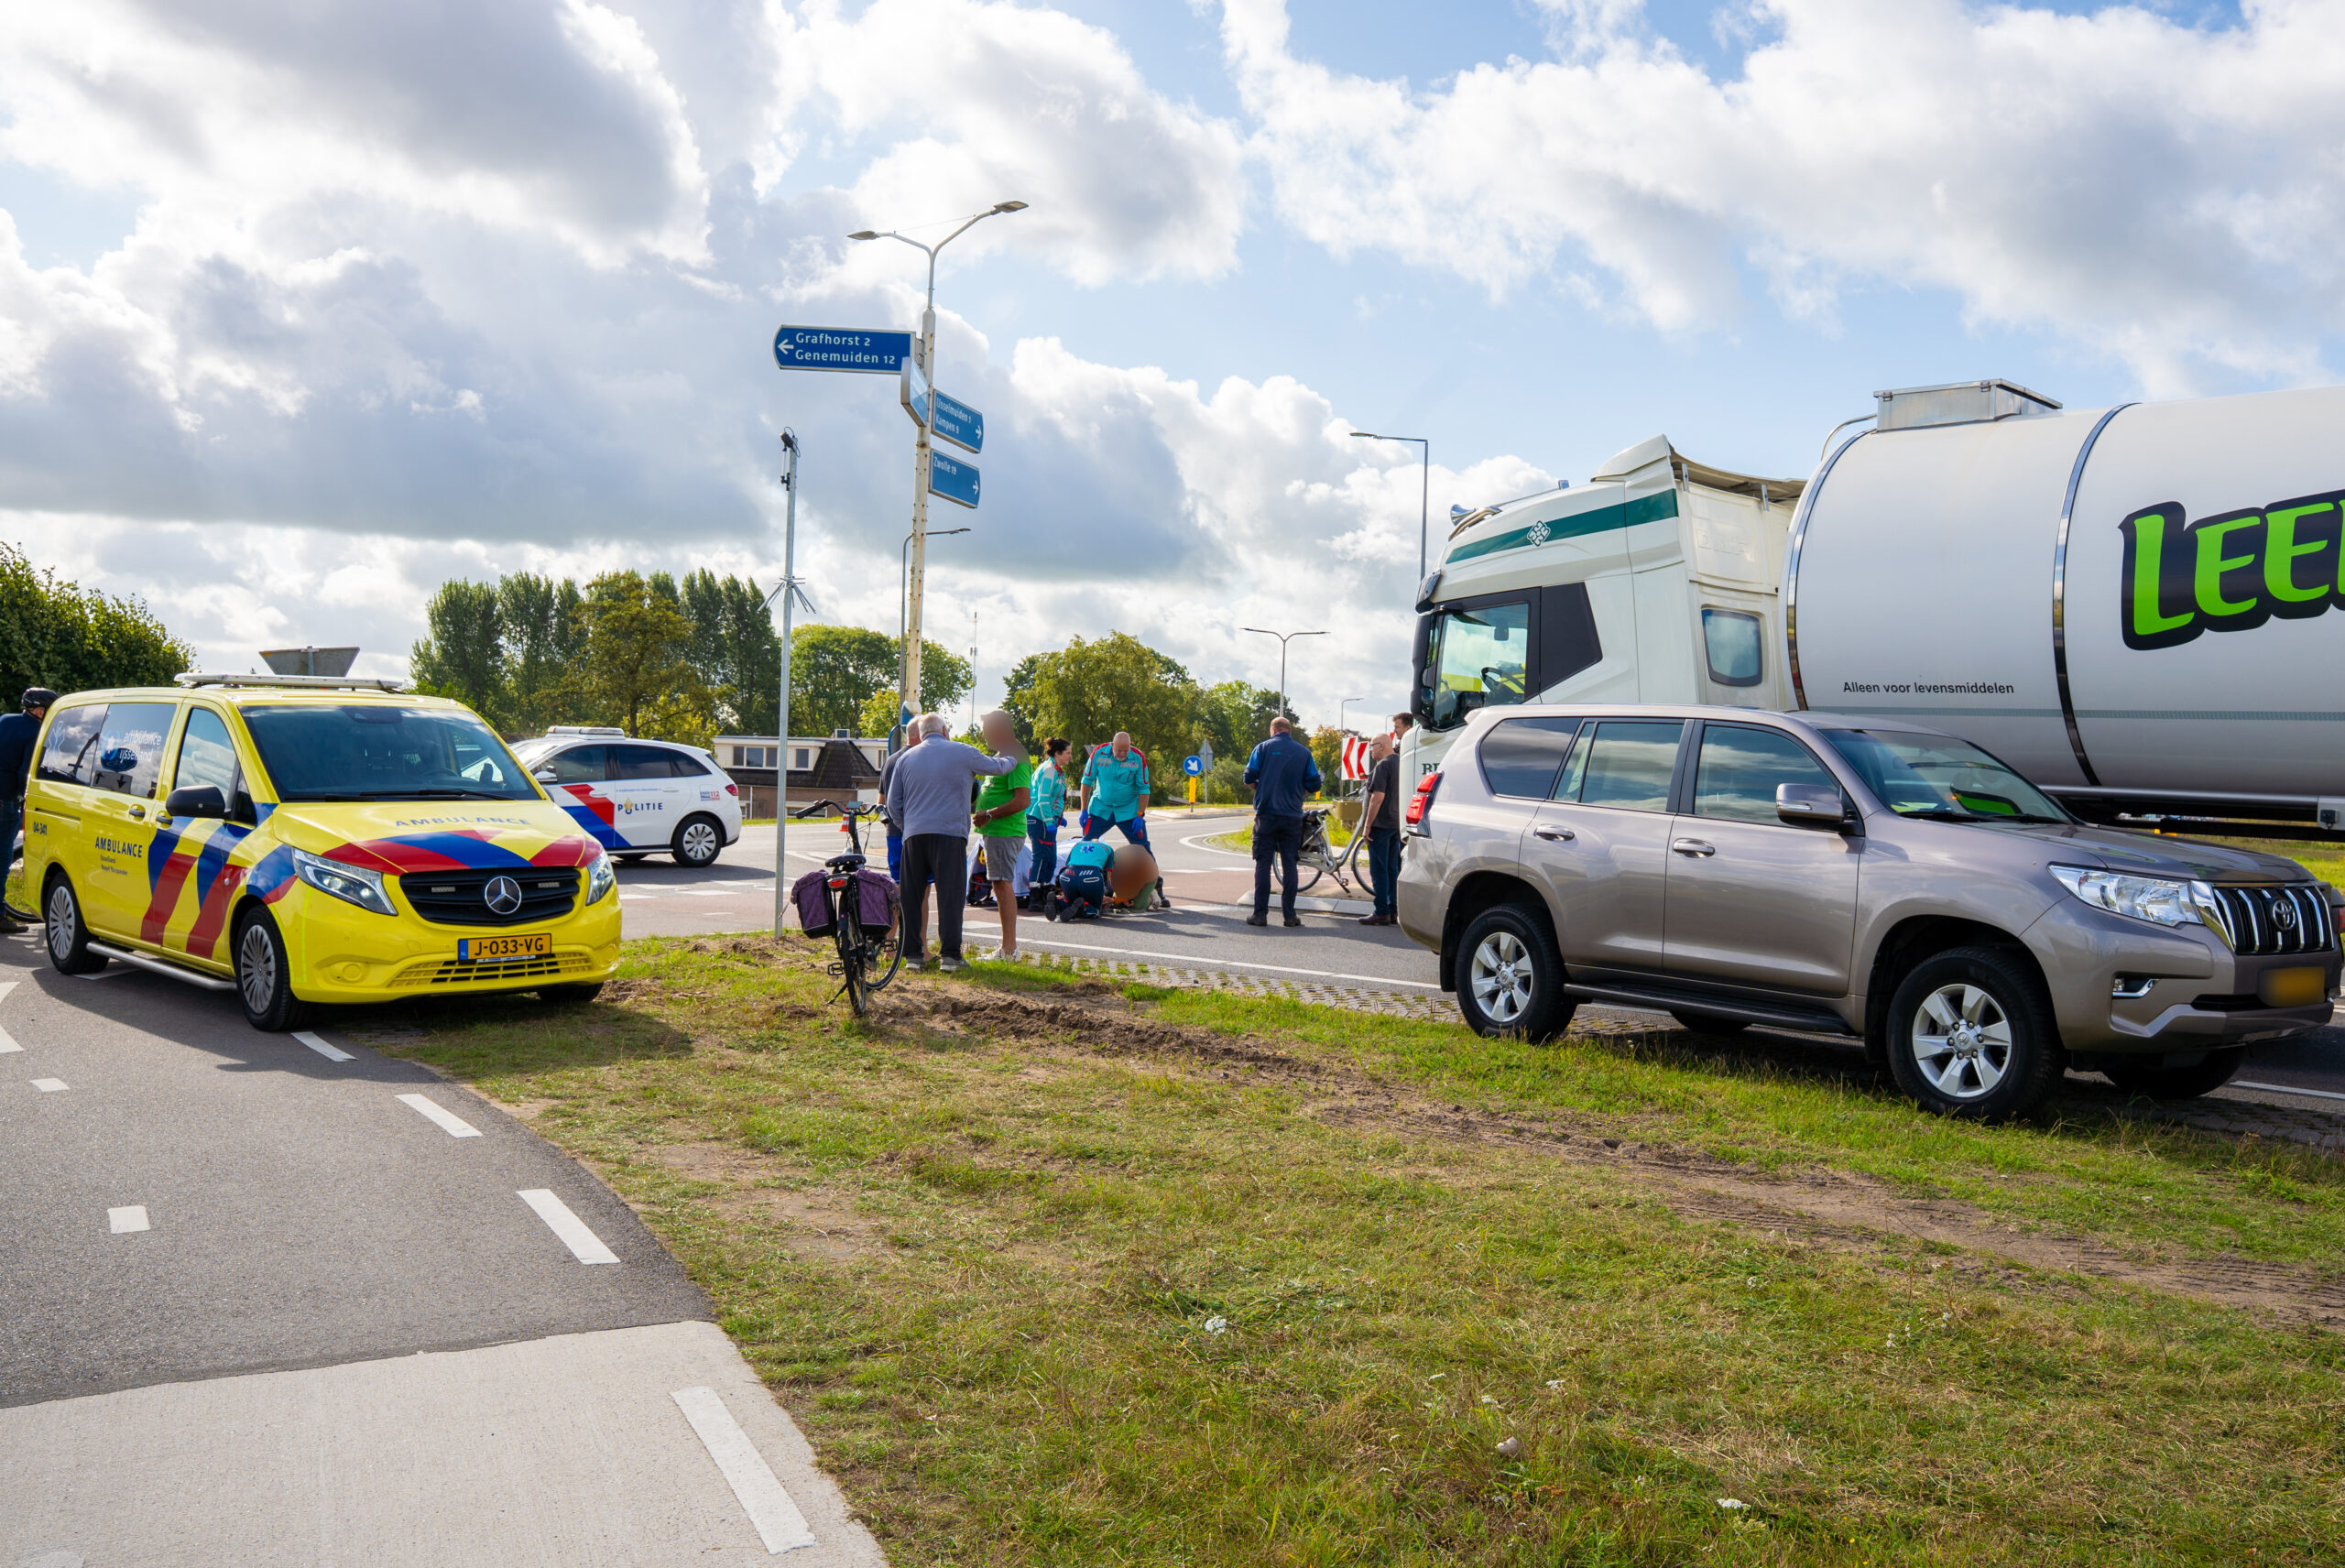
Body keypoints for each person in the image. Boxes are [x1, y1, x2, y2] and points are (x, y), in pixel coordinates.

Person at [883, 712, 1014, 972]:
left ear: (921, 735)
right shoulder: (962, 751)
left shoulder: (906, 758)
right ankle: (951, 957)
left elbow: (892, 804)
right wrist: (1013, 758)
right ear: (945, 731)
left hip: (914, 836)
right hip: (950, 835)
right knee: (950, 896)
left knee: (911, 896)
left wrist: (907, 826)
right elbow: (998, 768)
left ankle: (912, 956)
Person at [1243, 715, 1321, 928]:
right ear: (1289, 730)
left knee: (1263, 863)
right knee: (1290, 863)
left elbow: (1248, 777)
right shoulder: (1304, 752)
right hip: (1291, 816)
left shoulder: (1262, 748)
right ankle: (1290, 915)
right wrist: (1298, 794)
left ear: (1273, 730)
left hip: (1266, 814)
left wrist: (1261, 790)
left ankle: (1260, 915)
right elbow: (1315, 782)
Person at [969, 711, 1031, 959]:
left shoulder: (1016, 756)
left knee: (1002, 885)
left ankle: (1009, 949)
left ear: (1000, 729)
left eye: (986, 730)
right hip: (995, 832)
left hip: (1005, 831)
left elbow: (1023, 799)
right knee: (999, 883)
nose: (984, 735)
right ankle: (1007, 947)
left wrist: (990, 814)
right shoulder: (1003, 755)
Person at [1080, 730, 1167, 907]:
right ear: (1112, 746)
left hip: (1128, 810)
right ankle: (1086, 885)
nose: (1122, 754)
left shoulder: (1138, 758)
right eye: (1119, 750)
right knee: (1086, 845)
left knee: (1143, 847)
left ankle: (1156, 888)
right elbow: (1087, 781)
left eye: (1125, 750)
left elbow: (1144, 789)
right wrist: (1083, 809)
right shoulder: (1099, 753)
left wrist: (1140, 815)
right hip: (1101, 808)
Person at [0, 687, 51, 931]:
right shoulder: (36, 732)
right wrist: (29, 799)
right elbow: (25, 773)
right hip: (5, 800)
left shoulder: (4, 720)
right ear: (40, 710)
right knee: (2, 860)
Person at [1358, 732, 1402, 926]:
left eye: (1372, 745)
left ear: (1382, 745)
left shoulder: (1383, 765)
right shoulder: (1401, 762)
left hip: (1381, 824)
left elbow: (1377, 797)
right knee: (1393, 868)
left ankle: (1381, 911)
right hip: (1396, 823)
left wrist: (1367, 826)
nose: (1371, 749)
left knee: (1379, 869)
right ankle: (1393, 910)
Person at [1026, 736, 1071, 905]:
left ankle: (1045, 890)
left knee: (1050, 859)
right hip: (1039, 819)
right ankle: (1035, 896)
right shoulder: (1050, 770)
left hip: (1046, 820)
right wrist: (1049, 821)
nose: (1070, 757)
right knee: (1042, 857)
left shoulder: (1056, 770)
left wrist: (1059, 816)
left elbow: (1054, 798)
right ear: (1058, 753)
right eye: (1068, 753)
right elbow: (1043, 799)